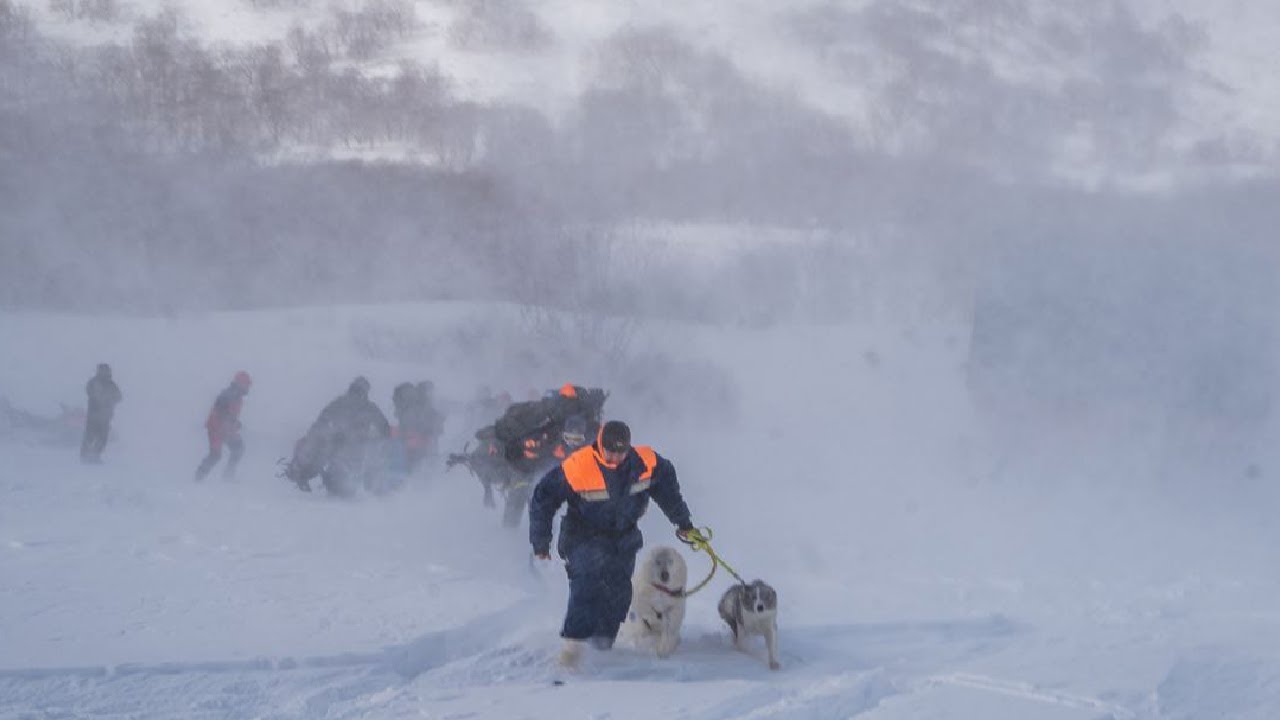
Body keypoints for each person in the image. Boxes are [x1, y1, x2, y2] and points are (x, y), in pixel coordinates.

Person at [529, 420, 699, 668]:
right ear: (599, 444)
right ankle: (573, 649)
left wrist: (683, 523)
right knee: (588, 583)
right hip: (583, 536)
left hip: (623, 538)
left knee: (618, 592)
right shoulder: (579, 465)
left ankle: (602, 646)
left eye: (621, 451)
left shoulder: (645, 463)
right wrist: (541, 544)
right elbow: (542, 499)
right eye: (610, 451)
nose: (615, 457)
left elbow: (668, 490)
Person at [282, 376, 391, 495]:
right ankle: (311, 474)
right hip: (349, 447)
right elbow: (384, 427)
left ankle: (306, 473)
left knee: (323, 456)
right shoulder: (367, 407)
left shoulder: (343, 403)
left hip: (345, 446)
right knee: (328, 458)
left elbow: (322, 420)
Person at [195, 371, 252, 481]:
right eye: (246, 385)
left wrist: (234, 422)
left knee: (238, 448)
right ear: (240, 384)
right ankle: (198, 477)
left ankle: (228, 476)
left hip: (227, 429)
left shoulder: (237, 396)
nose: (248, 388)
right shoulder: (227, 394)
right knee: (215, 455)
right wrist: (232, 421)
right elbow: (219, 412)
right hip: (216, 429)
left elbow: (229, 415)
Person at [80, 363, 122, 463]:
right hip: (93, 415)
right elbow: (90, 392)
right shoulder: (93, 382)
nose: (104, 372)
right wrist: (101, 397)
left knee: (103, 438)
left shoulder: (111, 384)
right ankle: (84, 455)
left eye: (106, 370)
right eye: (102, 370)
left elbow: (119, 397)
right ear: (99, 371)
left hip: (105, 417)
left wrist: (110, 399)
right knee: (90, 435)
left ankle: (95, 455)